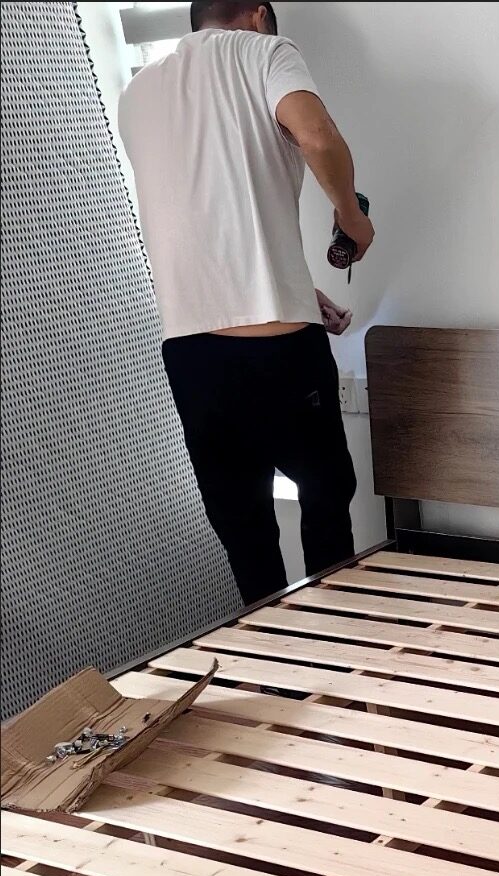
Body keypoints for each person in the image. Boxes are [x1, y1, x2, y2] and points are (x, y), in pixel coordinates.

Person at [118, 0, 375, 605]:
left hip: (191, 357)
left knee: (244, 528)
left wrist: (295, 287)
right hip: (278, 350)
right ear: (259, 15)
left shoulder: (137, 91)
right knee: (326, 502)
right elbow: (316, 137)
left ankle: (271, 656)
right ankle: (340, 641)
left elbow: (203, 210)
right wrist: (351, 216)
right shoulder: (266, 52)